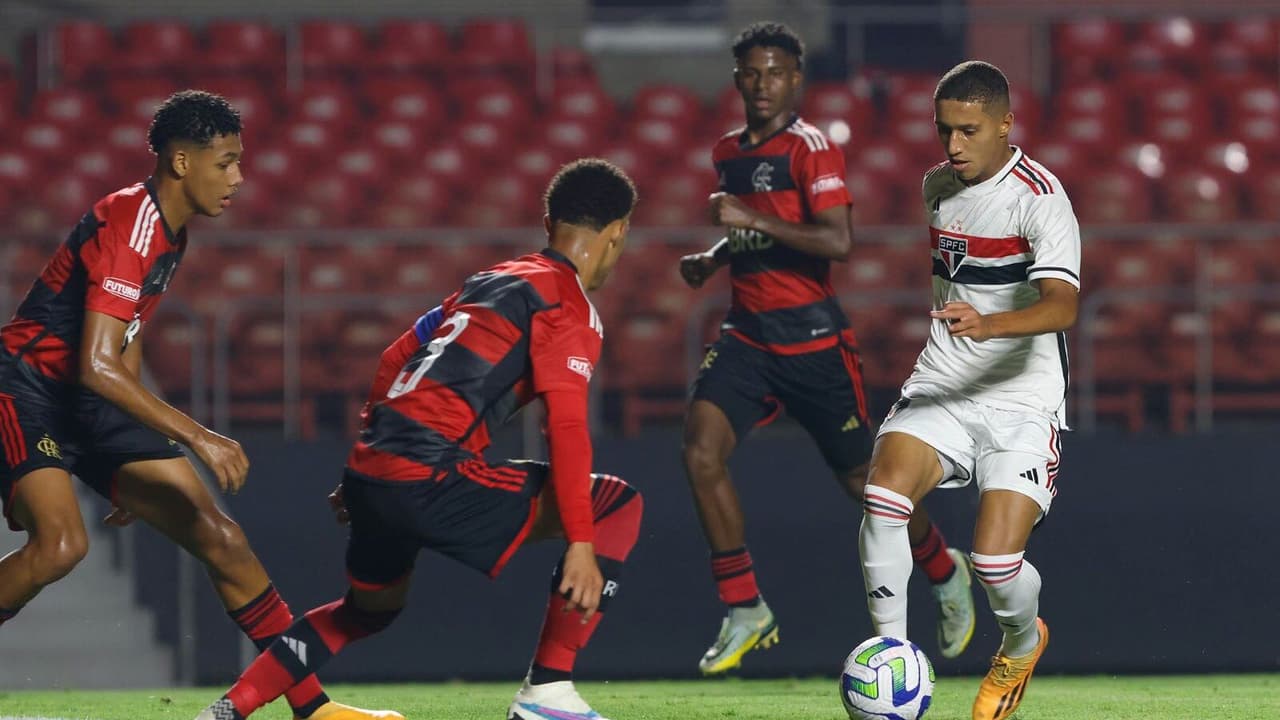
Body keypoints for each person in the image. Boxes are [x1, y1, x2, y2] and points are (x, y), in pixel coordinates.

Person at [194, 158, 642, 720]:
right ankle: (547, 695)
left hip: (372, 466)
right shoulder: (569, 306)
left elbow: (395, 355)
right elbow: (568, 426)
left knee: (366, 611)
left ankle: (227, 711)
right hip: (432, 474)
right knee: (617, 505)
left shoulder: (487, 282)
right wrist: (580, 541)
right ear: (619, 232)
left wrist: (371, 453)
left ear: (547, 220)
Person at [0, 90, 394, 720]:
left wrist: (132, 462)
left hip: (90, 400)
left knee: (221, 536)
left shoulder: (171, 232)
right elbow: (95, 363)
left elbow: (124, 346)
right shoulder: (130, 221)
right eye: (227, 161)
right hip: (28, 389)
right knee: (62, 546)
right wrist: (198, 437)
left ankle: (311, 708)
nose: (239, 177)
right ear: (182, 163)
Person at [678, 21, 974, 674]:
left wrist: (746, 220)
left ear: (796, 80)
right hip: (747, 338)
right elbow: (766, 233)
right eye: (751, 73)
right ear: (737, 81)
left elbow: (836, 241)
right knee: (700, 451)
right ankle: (744, 606)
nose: (762, 84)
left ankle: (944, 570)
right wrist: (716, 255)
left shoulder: (812, 149)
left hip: (812, 343)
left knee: (864, 485)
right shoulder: (728, 151)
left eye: (775, 72)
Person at [857, 61, 1080, 720]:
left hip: (1022, 397)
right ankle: (889, 657)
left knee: (994, 563)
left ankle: (1020, 641)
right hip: (945, 381)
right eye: (944, 129)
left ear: (1007, 124)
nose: (953, 146)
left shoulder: (1040, 197)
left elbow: (1063, 306)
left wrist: (992, 323)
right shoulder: (937, 188)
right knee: (881, 492)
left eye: (970, 130)